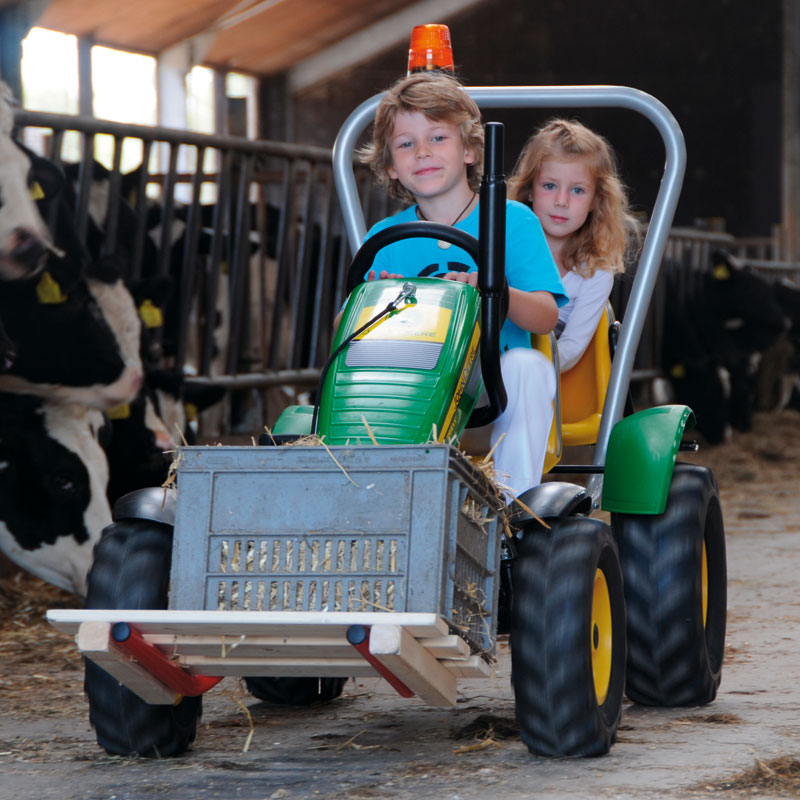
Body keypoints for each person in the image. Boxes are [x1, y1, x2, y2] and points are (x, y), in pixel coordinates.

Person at [351, 72, 568, 499]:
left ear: (469, 149)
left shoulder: (513, 221)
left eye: (437, 138)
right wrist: (372, 305)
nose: (423, 152)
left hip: (490, 384)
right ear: (391, 166)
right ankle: (379, 502)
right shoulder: (385, 238)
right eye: (406, 144)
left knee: (528, 366)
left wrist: (494, 290)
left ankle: (514, 509)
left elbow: (546, 317)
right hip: (413, 388)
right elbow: (344, 336)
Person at [508, 118, 640, 372]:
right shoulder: (505, 248)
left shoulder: (595, 272)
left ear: (596, 200)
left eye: (577, 190)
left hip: (544, 378)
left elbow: (571, 347)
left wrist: (522, 369)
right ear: (530, 189)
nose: (561, 201)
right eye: (550, 186)